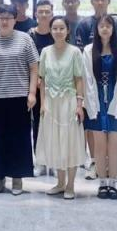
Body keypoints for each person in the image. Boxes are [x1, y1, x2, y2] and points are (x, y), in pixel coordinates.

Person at [0, 4, 38, 196]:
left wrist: (32, 93)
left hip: (20, 97)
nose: (4, 21)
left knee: (20, 138)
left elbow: (34, 67)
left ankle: (17, 177)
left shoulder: (25, 39)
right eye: (1, 17)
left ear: (15, 20)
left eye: (8, 17)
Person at [73, 0, 117, 180]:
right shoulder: (84, 25)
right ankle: (95, 164)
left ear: (108, 1)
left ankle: (110, 167)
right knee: (93, 126)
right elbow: (80, 56)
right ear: (91, 1)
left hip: (112, 84)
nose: (100, 2)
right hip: (91, 83)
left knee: (112, 129)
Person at [35, 15, 87, 199]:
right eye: (55, 28)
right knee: (55, 142)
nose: (58, 31)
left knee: (70, 142)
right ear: (50, 31)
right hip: (50, 102)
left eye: (61, 28)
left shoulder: (75, 52)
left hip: (69, 101)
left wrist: (79, 104)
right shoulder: (45, 52)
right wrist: (42, 104)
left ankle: (70, 184)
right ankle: (60, 183)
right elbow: (42, 80)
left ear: (67, 30)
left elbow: (79, 79)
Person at [83, 14, 117, 200]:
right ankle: (102, 183)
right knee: (99, 145)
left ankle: (113, 183)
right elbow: (87, 79)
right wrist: (90, 105)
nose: (104, 29)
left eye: (108, 26)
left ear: (113, 29)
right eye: (101, 26)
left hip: (115, 100)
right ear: (96, 29)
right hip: (96, 102)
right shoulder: (88, 50)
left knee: (114, 144)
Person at [28, 0, 55, 176]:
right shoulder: (30, 35)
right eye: (41, 11)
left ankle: (53, 160)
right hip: (36, 87)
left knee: (55, 123)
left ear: (52, 13)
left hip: (56, 86)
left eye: (47, 11)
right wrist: (36, 79)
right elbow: (28, 60)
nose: (44, 15)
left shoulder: (57, 32)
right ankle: (40, 160)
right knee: (38, 123)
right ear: (35, 14)